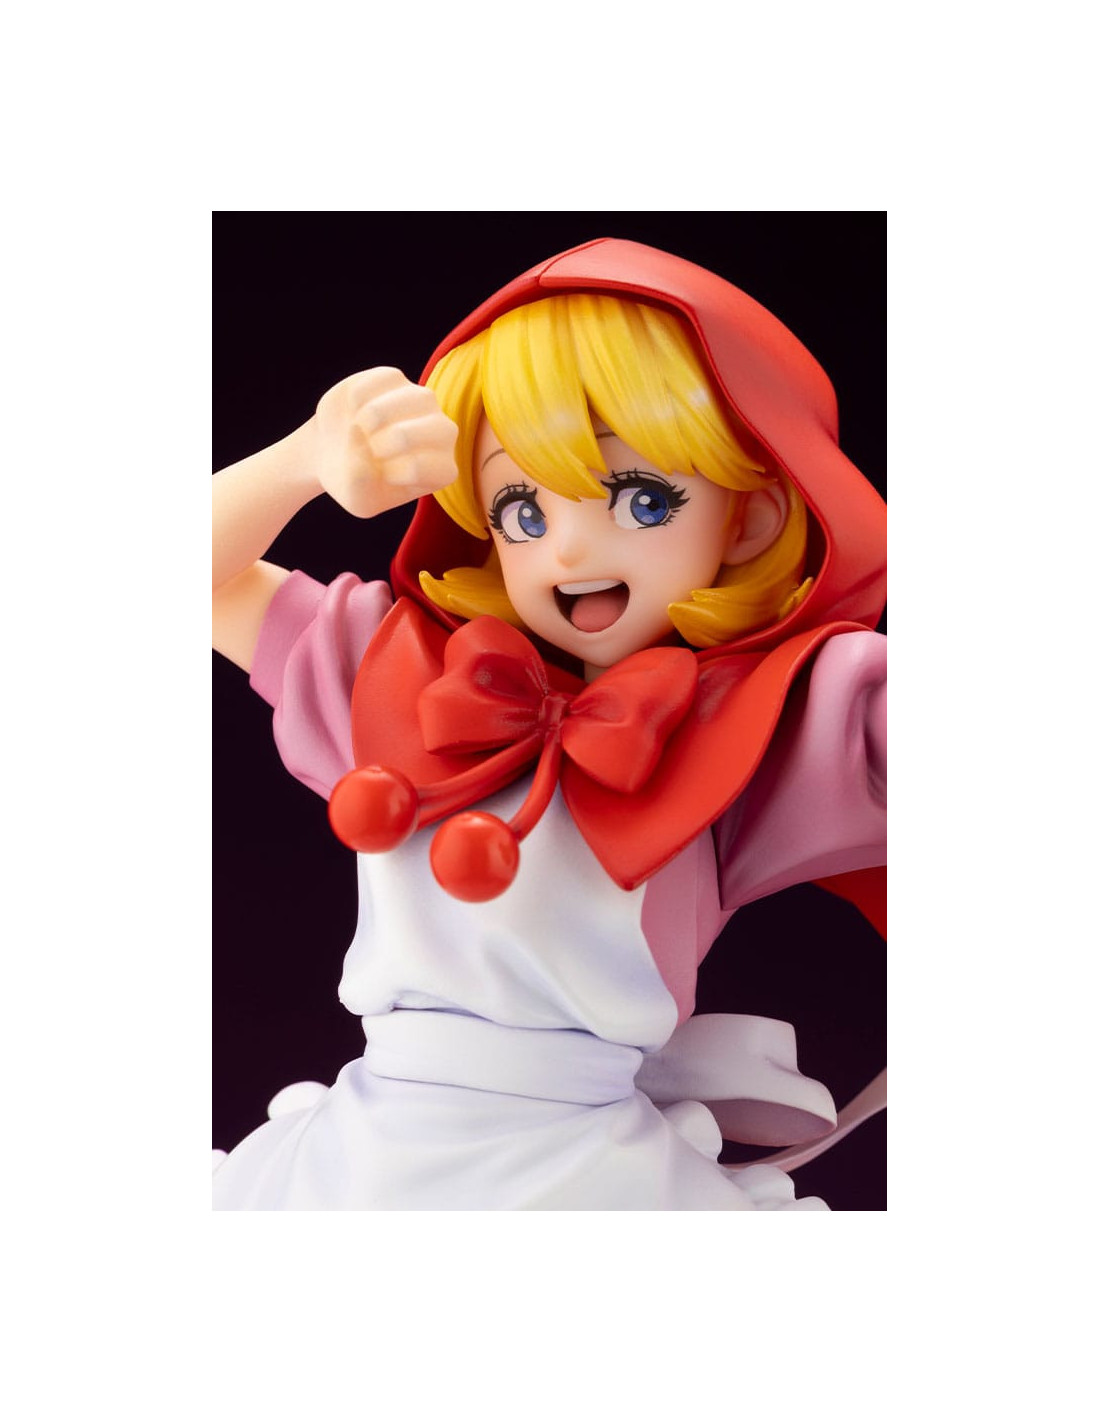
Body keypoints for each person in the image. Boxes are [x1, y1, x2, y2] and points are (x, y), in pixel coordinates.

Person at [211, 237, 886, 1210]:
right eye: (522, 509)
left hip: (591, 1165)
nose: (567, 548)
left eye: (641, 500)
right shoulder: (397, 672)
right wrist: (301, 463)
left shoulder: (763, 722)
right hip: (367, 1146)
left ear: (745, 521)